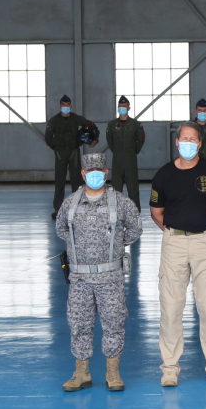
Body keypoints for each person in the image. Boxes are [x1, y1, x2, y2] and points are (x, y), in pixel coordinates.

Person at [150, 123, 206, 387]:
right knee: (171, 307)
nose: (188, 143)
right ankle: (169, 368)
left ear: (199, 144)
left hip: (205, 242)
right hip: (174, 244)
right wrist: (175, 232)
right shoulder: (164, 175)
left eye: (193, 139)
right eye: (184, 139)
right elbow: (157, 213)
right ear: (177, 143)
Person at [57, 153, 142, 393]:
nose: (95, 174)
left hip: (110, 277)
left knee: (114, 322)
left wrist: (114, 246)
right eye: (90, 171)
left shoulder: (121, 202)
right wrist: (81, 246)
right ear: (83, 174)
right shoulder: (71, 202)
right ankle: (81, 371)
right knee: (79, 323)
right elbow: (61, 228)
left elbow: (135, 229)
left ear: (106, 172)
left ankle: (112, 371)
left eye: (99, 170)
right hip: (80, 278)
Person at [45, 94, 97, 218]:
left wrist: (94, 139)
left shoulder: (76, 119)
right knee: (59, 181)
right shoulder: (54, 121)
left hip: (74, 152)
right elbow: (48, 138)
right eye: (63, 105)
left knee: (77, 181)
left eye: (68, 105)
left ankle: (78, 207)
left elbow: (91, 125)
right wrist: (56, 148)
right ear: (60, 106)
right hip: (60, 154)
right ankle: (58, 209)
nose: (66, 107)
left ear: (71, 106)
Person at [105, 95, 146, 210]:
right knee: (116, 188)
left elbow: (141, 139)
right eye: (120, 106)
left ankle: (135, 211)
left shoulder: (135, 124)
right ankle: (115, 211)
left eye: (124, 106)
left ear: (129, 108)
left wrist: (134, 151)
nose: (121, 108)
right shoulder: (112, 124)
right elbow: (109, 140)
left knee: (133, 187)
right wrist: (117, 151)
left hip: (130, 158)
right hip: (117, 158)